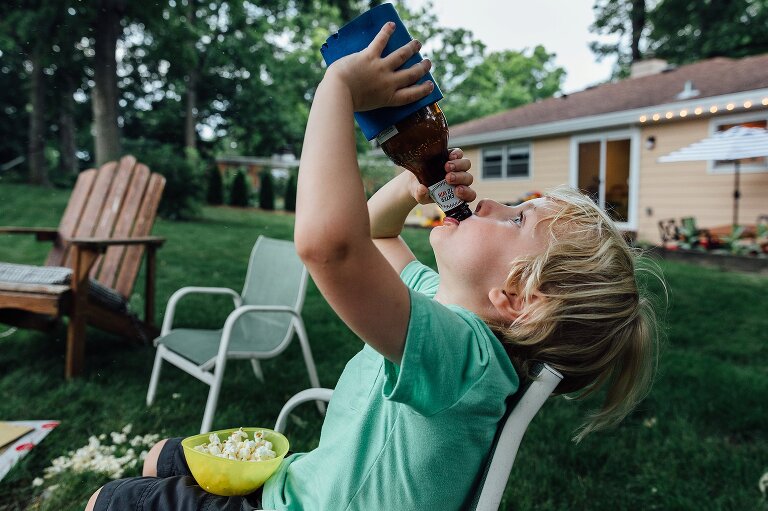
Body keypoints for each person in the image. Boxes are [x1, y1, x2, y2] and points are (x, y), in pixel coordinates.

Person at [86, 22, 660, 511]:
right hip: (305, 483)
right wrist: (411, 185)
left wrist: (336, 90)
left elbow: (330, 247)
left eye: (514, 220)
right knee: (161, 457)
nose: (490, 202)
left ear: (516, 297)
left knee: (107, 499)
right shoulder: (446, 310)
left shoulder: (464, 361)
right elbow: (376, 232)